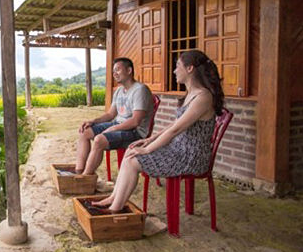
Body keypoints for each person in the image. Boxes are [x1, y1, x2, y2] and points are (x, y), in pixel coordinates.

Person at [93, 50, 223, 213]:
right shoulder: (192, 94)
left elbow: (176, 130)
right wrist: (150, 139)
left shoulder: (203, 97)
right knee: (131, 151)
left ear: (190, 69)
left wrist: (148, 149)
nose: (175, 71)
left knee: (133, 161)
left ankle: (115, 209)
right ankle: (113, 198)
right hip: (178, 149)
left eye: (177, 66)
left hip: (190, 156)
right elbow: (175, 124)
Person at [75, 57, 153, 175]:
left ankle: (85, 178)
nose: (114, 73)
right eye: (113, 71)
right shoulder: (119, 91)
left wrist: (113, 128)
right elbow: (111, 114)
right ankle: (77, 172)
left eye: (118, 70)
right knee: (84, 131)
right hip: (119, 125)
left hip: (135, 132)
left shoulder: (140, 90)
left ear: (129, 70)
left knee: (99, 140)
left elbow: (135, 121)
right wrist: (93, 121)